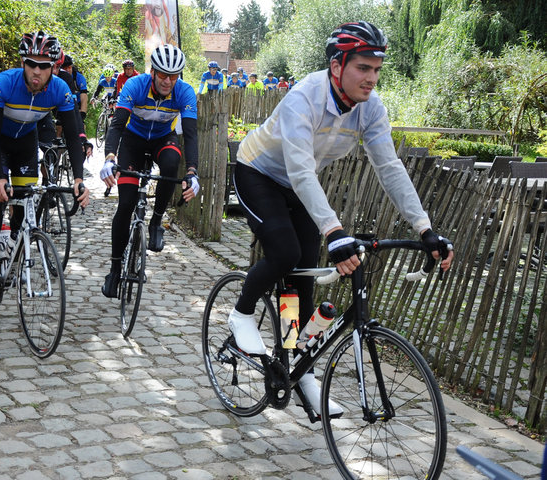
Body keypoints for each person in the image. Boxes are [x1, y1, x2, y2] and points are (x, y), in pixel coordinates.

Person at [227, 21, 454, 417]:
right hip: (258, 171)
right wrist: (334, 231)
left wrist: (425, 228)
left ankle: (301, 373)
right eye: (363, 68)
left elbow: (390, 168)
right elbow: (299, 170)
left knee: (301, 284)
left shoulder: (371, 108)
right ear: (337, 66)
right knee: (284, 252)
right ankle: (241, 312)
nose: (372, 78)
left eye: (377, 69)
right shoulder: (305, 97)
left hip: (299, 182)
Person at [0, 31, 90, 284]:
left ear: (53, 67)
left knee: (23, 198)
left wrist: (79, 179)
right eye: (31, 64)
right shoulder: (2, 83)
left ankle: (14, 248)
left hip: (25, 140)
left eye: (43, 66)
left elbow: (72, 137)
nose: (36, 71)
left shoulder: (60, 90)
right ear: (22, 63)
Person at [99, 44, 199, 298]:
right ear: (152, 71)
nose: (168, 81)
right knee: (126, 205)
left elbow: (190, 134)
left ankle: (156, 221)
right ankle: (114, 270)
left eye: (174, 76)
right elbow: (117, 124)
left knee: (170, 163)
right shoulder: (135, 85)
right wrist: (110, 157)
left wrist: (193, 171)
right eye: (163, 75)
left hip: (162, 140)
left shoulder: (185, 92)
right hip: (133, 141)